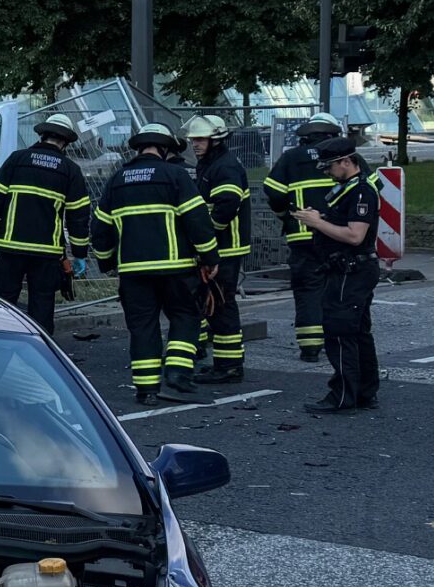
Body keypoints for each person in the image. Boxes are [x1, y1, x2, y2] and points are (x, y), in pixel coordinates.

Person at [92, 123, 218, 404]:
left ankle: (146, 388)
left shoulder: (117, 179)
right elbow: (197, 220)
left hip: (133, 272)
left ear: (138, 148)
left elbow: (100, 229)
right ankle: (177, 376)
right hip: (176, 268)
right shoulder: (175, 175)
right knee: (186, 317)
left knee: (142, 326)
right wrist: (210, 258)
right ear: (165, 149)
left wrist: (107, 263)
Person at [0, 114, 92, 333]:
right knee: (42, 305)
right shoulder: (70, 170)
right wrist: (79, 253)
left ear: (42, 135)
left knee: (4, 302)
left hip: (10, 248)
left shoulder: (17, 159)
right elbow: (78, 216)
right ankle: (39, 354)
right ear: (65, 142)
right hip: (46, 253)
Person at [297, 136, 381, 414]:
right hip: (347, 268)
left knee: (341, 331)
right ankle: (364, 392)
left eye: (330, 167)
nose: (326, 172)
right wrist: (320, 217)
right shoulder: (346, 189)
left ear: (347, 162)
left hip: (351, 269)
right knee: (358, 332)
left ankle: (343, 395)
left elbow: (355, 235)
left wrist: (317, 223)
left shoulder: (361, 192)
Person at [264, 113, 339, 365]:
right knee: (338, 287)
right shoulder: (344, 157)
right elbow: (372, 188)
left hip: (301, 235)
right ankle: (337, 341)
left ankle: (310, 348)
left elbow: (272, 191)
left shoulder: (291, 158)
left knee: (308, 289)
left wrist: (285, 215)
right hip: (337, 236)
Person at [189, 115, 251, 382]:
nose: (195, 144)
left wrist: (208, 235)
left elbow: (226, 205)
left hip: (225, 247)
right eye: (193, 140)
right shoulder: (212, 164)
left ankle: (229, 366)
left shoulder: (223, 167)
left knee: (223, 305)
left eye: (200, 139)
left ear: (216, 140)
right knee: (216, 305)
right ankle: (226, 363)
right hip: (221, 247)